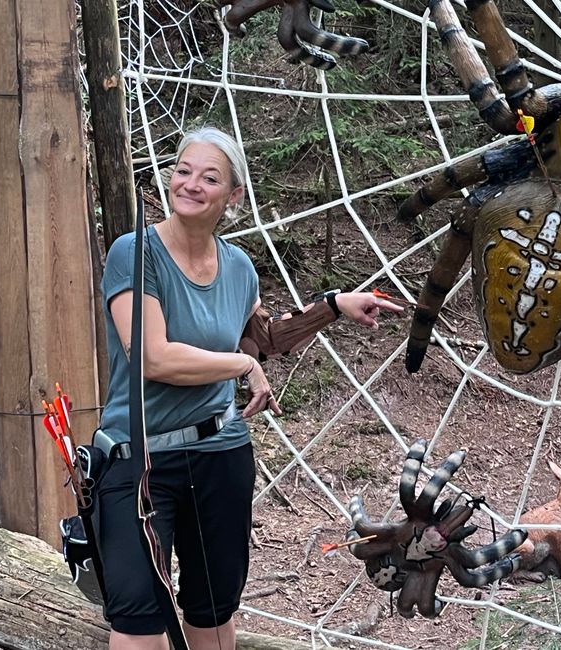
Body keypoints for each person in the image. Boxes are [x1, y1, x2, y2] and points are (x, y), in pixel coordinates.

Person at [96, 126, 402, 650]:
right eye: (184, 171)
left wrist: (333, 305)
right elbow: (152, 356)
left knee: (213, 611)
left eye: (209, 178)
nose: (190, 184)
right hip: (138, 458)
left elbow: (264, 338)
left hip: (219, 454)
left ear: (233, 196)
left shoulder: (238, 267)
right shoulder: (135, 252)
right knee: (138, 619)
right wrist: (240, 365)